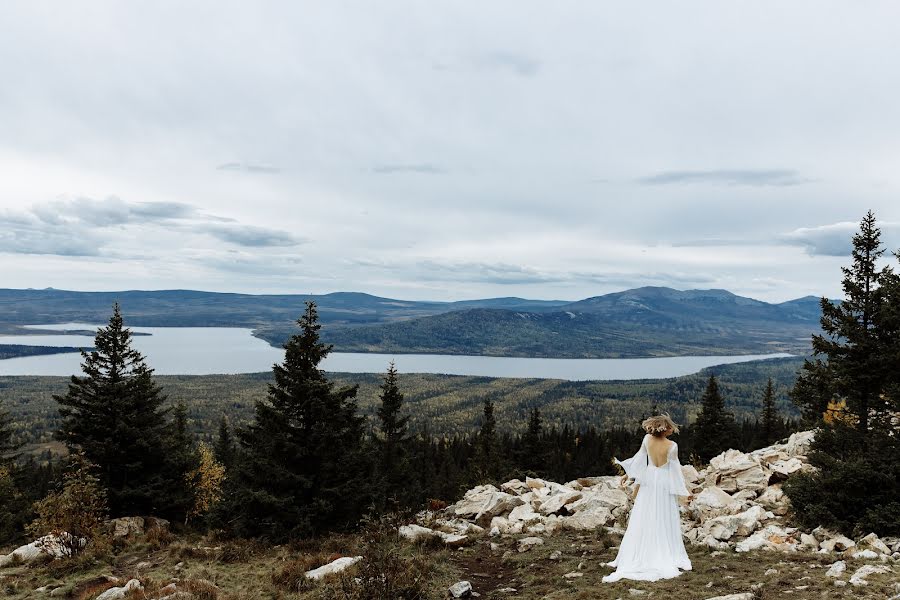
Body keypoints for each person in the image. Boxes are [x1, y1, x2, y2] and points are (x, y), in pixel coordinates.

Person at [602, 414, 693, 582]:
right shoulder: (672, 446)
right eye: (670, 426)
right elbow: (675, 471)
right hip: (664, 483)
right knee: (665, 516)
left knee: (644, 515)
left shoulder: (646, 440)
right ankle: (666, 551)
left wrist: (628, 475)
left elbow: (638, 460)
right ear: (665, 429)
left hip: (649, 481)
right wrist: (684, 491)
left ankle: (641, 551)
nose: (673, 429)